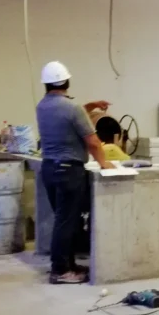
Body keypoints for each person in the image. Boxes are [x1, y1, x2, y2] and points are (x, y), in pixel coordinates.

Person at [36, 61, 111, 285]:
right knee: (67, 222)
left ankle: (68, 265)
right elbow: (93, 142)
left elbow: (68, 114)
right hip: (69, 171)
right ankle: (60, 270)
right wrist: (105, 164)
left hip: (49, 168)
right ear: (67, 82)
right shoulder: (72, 108)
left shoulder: (42, 106)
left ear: (46, 85)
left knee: (62, 219)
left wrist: (89, 106)